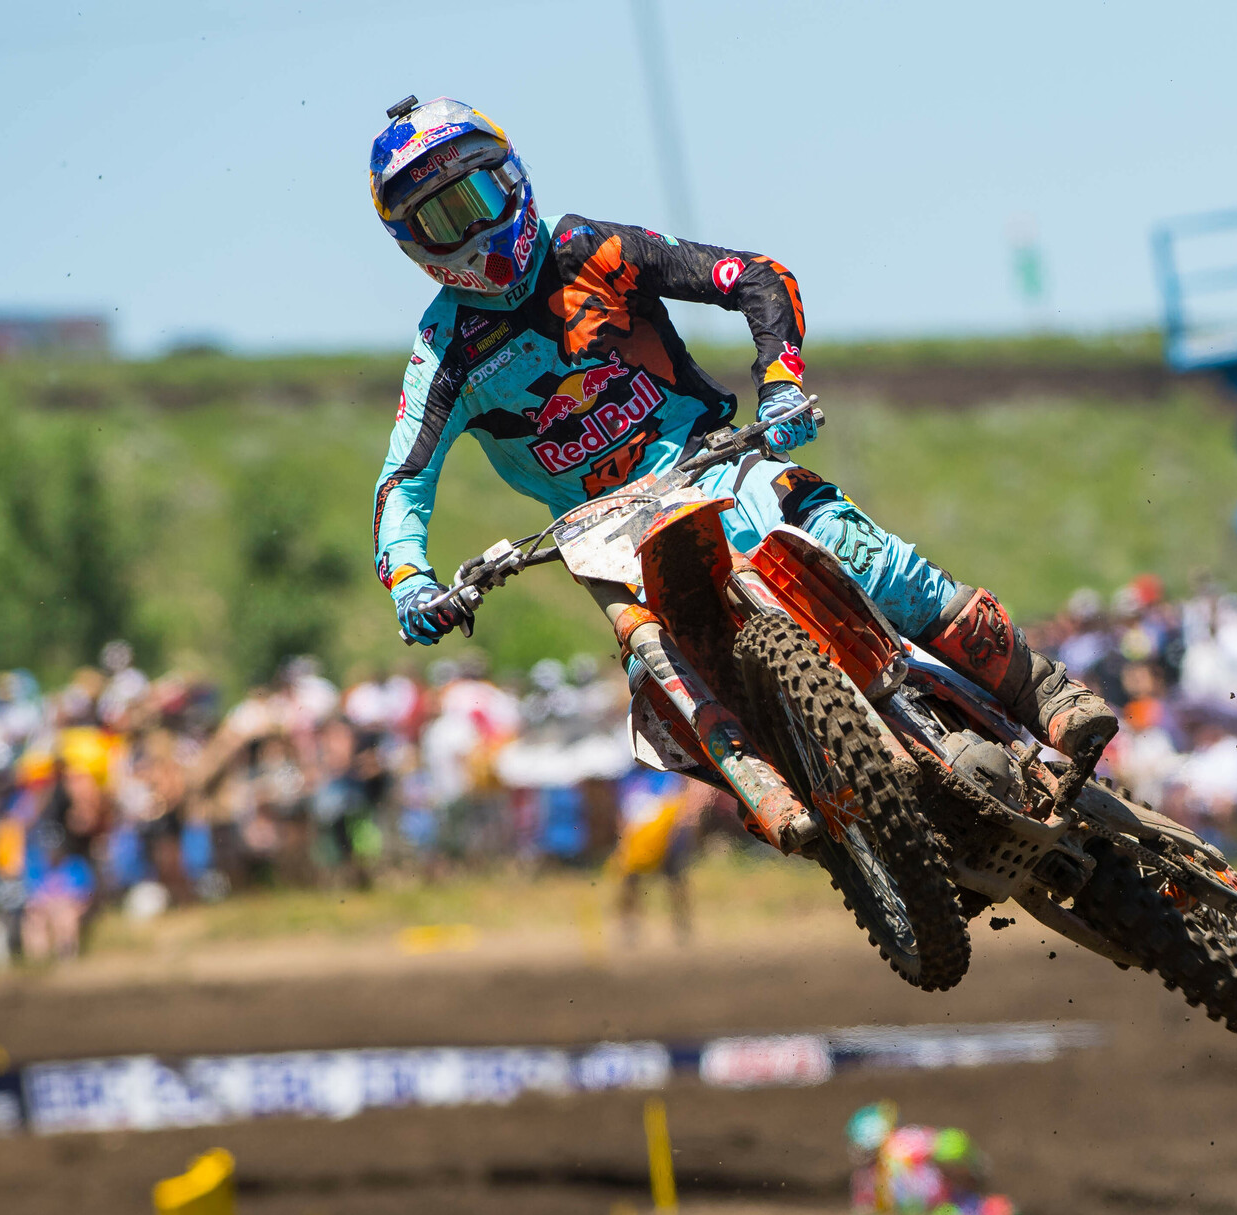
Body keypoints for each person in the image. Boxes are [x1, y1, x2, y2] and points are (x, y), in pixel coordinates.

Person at [365, 97, 1115, 763]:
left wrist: (781, 383)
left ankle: (1045, 693)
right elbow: (403, 481)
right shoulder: (445, 355)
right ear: (413, 243)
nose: (475, 226)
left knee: (859, 552)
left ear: (513, 177)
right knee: (663, 709)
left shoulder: (589, 248)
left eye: (480, 193)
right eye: (442, 217)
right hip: (606, 540)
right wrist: (412, 581)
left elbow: (754, 276)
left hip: (714, 466)